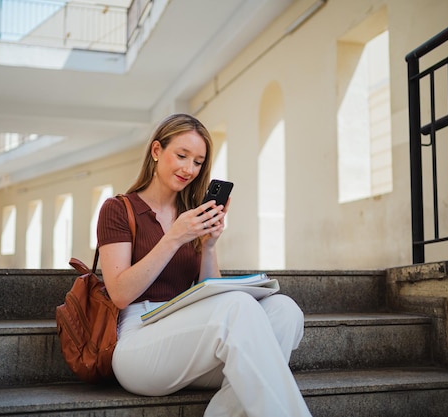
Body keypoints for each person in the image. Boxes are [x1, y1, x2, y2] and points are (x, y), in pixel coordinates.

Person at [97, 113, 311, 417]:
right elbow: (119, 293)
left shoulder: (191, 214)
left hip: (189, 335)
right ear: (156, 151)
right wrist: (173, 237)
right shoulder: (118, 209)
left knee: (285, 310)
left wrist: (209, 245)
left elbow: (212, 292)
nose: (189, 169)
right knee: (238, 307)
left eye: (198, 162)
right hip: (138, 344)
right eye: (181, 156)